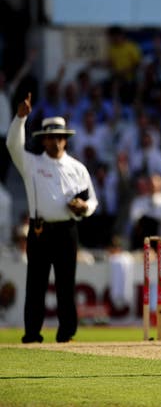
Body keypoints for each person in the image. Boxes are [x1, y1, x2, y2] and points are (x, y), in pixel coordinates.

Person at [6, 93, 98, 343]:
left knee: (66, 285)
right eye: (50, 137)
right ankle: (33, 333)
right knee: (36, 283)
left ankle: (66, 332)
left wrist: (83, 208)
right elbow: (13, 145)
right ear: (43, 140)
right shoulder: (32, 164)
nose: (55, 141)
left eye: (59, 137)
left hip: (67, 229)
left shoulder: (77, 168)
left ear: (65, 140)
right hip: (40, 229)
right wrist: (20, 119)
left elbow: (92, 200)